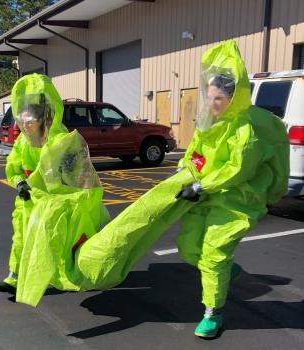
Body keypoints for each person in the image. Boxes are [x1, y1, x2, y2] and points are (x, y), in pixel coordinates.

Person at [69, 39, 289, 339]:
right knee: (189, 248)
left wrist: (200, 184)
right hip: (203, 195)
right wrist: (184, 168)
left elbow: (238, 171)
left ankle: (213, 313)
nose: (213, 103)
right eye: (210, 97)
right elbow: (195, 150)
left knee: (213, 254)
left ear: (233, 97)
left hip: (235, 200)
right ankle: (226, 272)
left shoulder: (245, 130)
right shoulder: (210, 122)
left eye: (219, 98)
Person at [0, 73, 109, 298]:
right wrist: (20, 183)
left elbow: (80, 178)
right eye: (23, 121)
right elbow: (13, 168)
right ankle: (15, 278)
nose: (26, 125)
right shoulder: (23, 143)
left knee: (58, 243)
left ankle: (72, 274)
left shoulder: (62, 140)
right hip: (28, 203)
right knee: (22, 238)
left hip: (57, 207)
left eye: (30, 120)